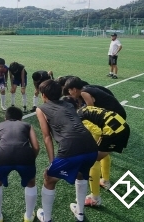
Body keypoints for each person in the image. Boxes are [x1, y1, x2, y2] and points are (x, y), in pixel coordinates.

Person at [35, 80, 98, 222]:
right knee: (81, 174)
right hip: (91, 146)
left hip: (71, 147)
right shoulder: (69, 104)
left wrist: (52, 162)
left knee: (49, 179)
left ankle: (46, 217)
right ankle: (80, 213)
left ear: (43, 95)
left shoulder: (41, 109)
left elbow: (47, 137)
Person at [63, 76, 126, 189]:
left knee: (93, 156)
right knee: (102, 149)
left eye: (69, 90)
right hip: (115, 118)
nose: (69, 92)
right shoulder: (88, 88)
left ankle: (95, 195)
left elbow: (90, 111)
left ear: (74, 89)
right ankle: (105, 180)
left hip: (111, 123)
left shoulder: (84, 93)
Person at [0, 107, 40, 222]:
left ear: (5, 118)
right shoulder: (27, 125)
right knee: (30, 182)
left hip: (2, 156)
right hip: (25, 156)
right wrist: (29, 159)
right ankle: (28, 216)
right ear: (21, 118)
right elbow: (36, 147)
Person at [70, 100, 130, 207]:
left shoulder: (79, 117)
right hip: (122, 126)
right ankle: (105, 181)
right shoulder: (85, 109)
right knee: (101, 152)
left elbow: (97, 131)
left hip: (113, 132)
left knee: (93, 159)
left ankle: (95, 198)